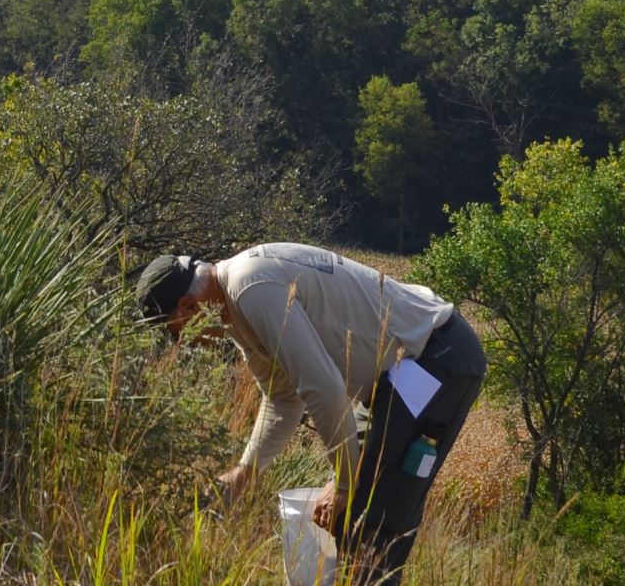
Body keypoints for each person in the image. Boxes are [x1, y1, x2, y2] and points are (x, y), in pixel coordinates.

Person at [134, 244, 489, 580]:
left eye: (176, 332)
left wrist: (346, 483)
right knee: (352, 506)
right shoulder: (237, 307)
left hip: (436, 358)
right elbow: (283, 398)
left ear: (187, 306)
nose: (186, 343)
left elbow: (325, 391)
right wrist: (246, 473)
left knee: (370, 511)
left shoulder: (250, 287)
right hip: (400, 376)